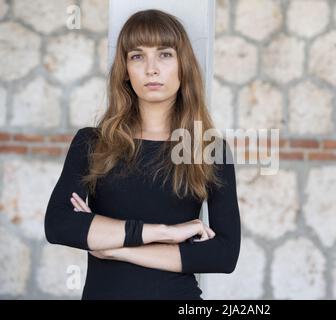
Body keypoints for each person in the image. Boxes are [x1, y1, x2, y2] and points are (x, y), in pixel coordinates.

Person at [44, 9, 241, 300]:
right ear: (125, 69)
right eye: (137, 56)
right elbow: (59, 224)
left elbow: (224, 255)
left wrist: (115, 247)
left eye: (164, 54)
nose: (151, 68)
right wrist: (164, 232)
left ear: (182, 65)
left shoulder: (209, 149)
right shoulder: (92, 143)